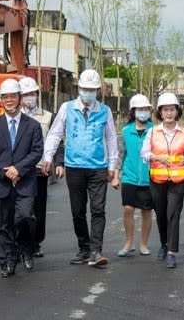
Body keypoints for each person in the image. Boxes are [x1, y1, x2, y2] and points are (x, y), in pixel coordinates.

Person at [41, 69, 118, 268]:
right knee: (77, 211)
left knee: (98, 209)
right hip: (74, 167)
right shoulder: (67, 108)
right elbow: (55, 133)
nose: (88, 92)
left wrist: (112, 165)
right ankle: (84, 248)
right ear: (79, 88)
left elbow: (111, 138)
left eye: (92, 89)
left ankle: (96, 250)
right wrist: (48, 156)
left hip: (98, 167)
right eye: (85, 88)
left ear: (97, 90)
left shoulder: (105, 111)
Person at [0, 78, 44, 277]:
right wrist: (5, 171)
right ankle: (8, 261)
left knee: (26, 217)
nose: (9, 100)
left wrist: (18, 169)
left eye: (12, 96)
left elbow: (36, 152)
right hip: (0, 182)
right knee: (3, 225)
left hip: (24, 181)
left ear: (19, 98)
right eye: (5, 97)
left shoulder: (33, 126)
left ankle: (26, 248)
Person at [140, 93, 184, 268]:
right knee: (162, 214)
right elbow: (144, 154)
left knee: (173, 214)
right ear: (160, 113)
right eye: (165, 110)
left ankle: (171, 252)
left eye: (172, 109)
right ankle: (164, 243)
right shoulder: (153, 131)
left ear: (177, 111)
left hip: (178, 179)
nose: (169, 113)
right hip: (157, 179)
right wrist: (155, 157)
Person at [19, 76, 64, 258]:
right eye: (26, 94)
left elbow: (57, 140)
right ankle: (19, 242)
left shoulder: (47, 116)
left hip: (40, 170)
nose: (29, 97)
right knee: (21, 210)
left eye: (32, 93)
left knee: (38, 209)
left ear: (37, 94)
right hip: (19, 171)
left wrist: (59, 162)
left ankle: (36, 242)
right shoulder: (14, 116)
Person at [111, 94, 154, 258]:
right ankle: (129, 243)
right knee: (128, 209)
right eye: (140, 109)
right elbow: (120, 154)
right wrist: (116, 175)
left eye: (146, 109)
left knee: (147, 211)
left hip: (149, 178)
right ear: (133, 111)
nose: (143, 112)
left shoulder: (154, 130)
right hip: (129, 177)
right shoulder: (126, 131)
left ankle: (144, 244)